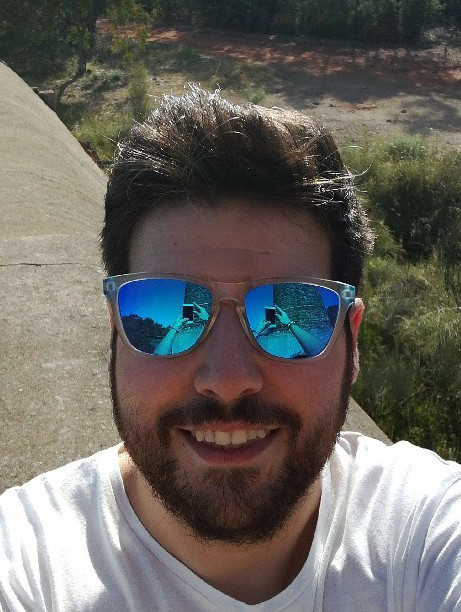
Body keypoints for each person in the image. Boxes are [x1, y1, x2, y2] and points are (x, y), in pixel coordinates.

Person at [1, 86, 460, 611]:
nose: (226, 379)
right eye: (167, 310)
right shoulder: (29, 566)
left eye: (289, 311)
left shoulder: (424, 532)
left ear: (350, 340)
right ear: (115, 331)